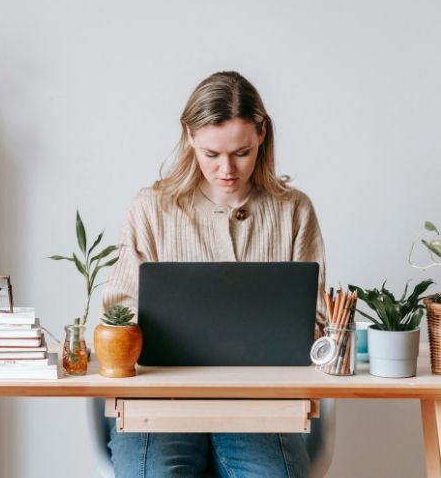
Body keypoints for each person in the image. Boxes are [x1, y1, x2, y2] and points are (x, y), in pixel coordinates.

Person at [101, 71, 326, 478]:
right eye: (211, 154)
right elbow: (118, 310)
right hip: (158, 404)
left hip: (260, 407)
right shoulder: (150, 208)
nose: (227, 169)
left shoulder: (294, 210)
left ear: (262, 134)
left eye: (241, 152)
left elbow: (316, 321)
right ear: (189, 136)